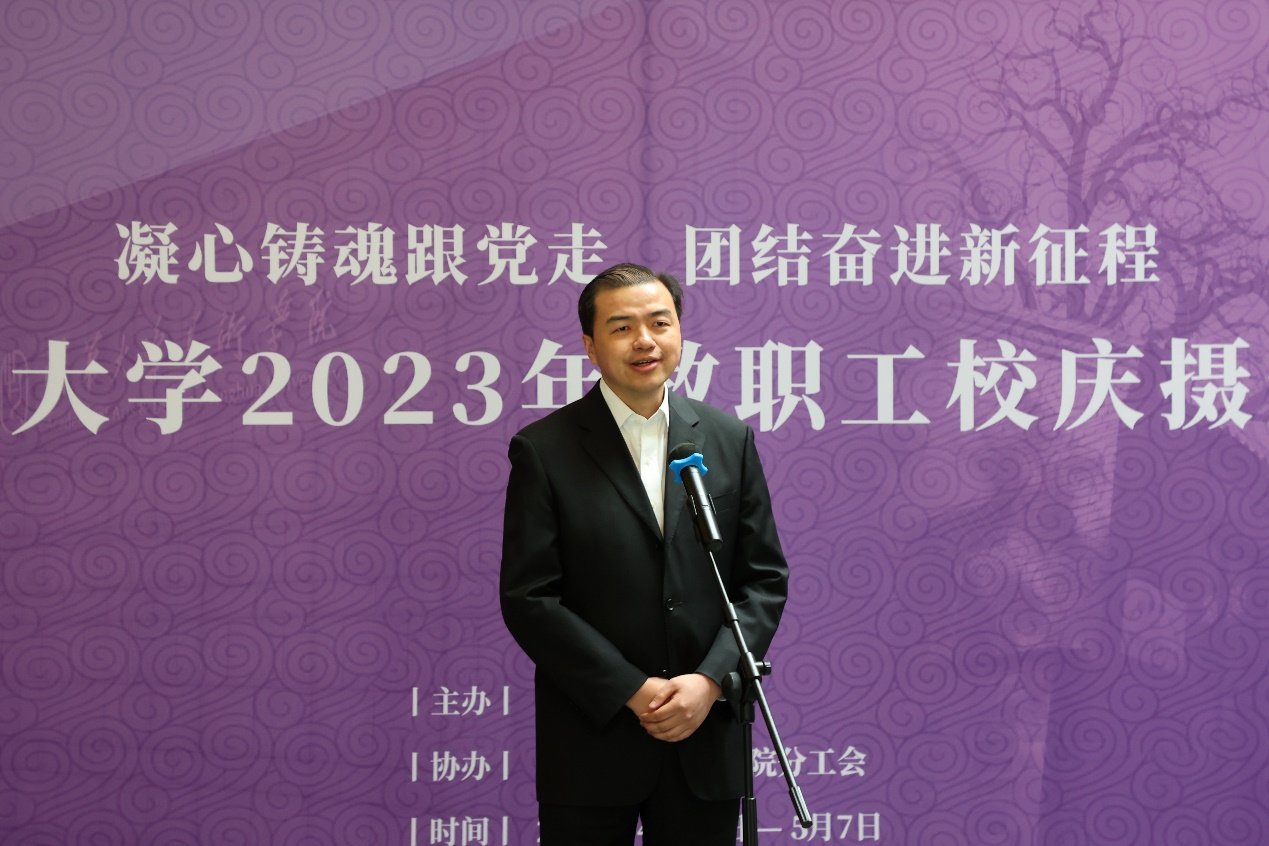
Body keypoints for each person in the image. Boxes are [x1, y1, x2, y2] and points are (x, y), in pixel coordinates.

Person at [500, 263, 789, 845]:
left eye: (660, 323)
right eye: (622, 327)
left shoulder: (728, 439)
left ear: (679, 332)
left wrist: (709, 681)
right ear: (590, 346)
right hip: (593, 736)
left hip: (703, 736)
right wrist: (632, 689)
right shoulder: (545, 450)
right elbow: (531, 599)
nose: (645, 341)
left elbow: (763, 581)